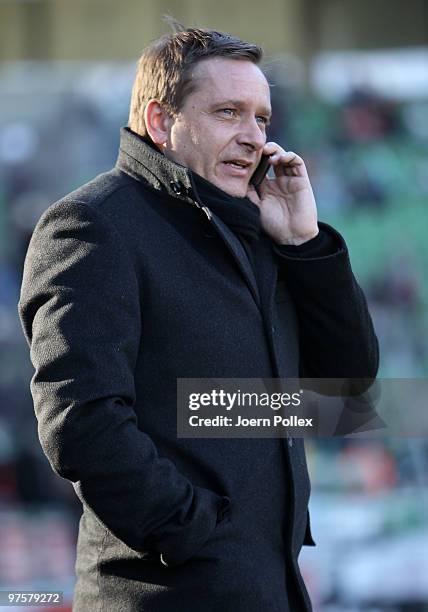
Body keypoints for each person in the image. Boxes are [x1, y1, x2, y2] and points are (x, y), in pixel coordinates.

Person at [18, 21, 378, 612]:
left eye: (261, 118)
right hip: (167, 594)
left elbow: (346, 391)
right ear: (161, 122)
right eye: (228, 113)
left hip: (271, 590)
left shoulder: (257, 230)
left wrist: (305, 245)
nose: (253, 138)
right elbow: (82, 423)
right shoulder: (92, 225)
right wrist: (197, 535)